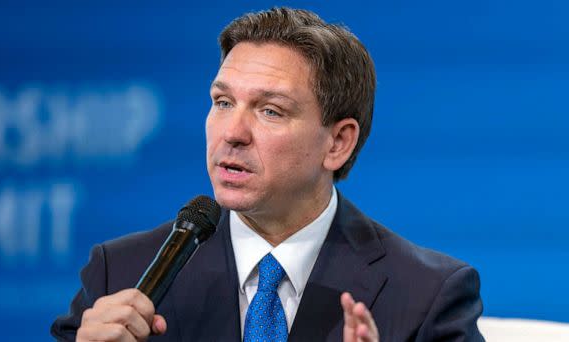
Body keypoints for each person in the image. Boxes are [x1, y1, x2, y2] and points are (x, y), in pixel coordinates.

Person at [52, 7, 484, 342]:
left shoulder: (427, 294)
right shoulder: (121, 273)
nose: (232, 133)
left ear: (338, 143)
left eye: (270, 111)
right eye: (222, 102)